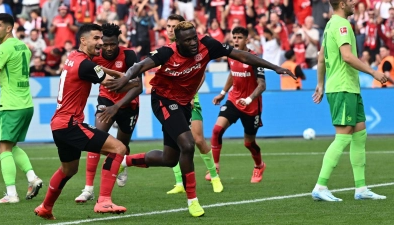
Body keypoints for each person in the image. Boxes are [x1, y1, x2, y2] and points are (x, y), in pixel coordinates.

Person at [105, 21, 295, 217]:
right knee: (188, 144)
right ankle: (193, 201)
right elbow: (139, 66)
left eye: (194, 37)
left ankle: (125, 161)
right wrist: (125, 79)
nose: (193, 43)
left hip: (185, 103)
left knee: (169, 158)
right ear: (177, 42)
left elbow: (242, 55)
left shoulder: (207, 45)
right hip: (163, 99)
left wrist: (274, 67)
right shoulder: (167, 52)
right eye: (187, 40)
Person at [34, 24, 138, 220]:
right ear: (83, 40)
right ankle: (104, 201)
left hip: (59, 124)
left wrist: (119, 74)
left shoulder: (74, 58)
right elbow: (110, 83)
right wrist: (132, 80)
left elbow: (99, 69)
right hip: (71, 124)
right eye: (96, 39)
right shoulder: (86, 65)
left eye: (101, 39)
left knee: (69, 169)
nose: (100, 43)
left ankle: (45, 207)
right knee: (119, 148)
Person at [311, 0, 388, 202]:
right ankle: (320, 185)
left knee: (359, 134)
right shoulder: (342, 25)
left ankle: (361, 188)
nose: (355, 2)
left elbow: (321, 58)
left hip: (349, 88)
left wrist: (320, 83)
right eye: (351, 0)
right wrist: (373, 72)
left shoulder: (330, 25)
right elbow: (346, 56)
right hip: (343, 87)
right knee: (343, 137)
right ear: (343, 3)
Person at [74, 23, 141, 203]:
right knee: (97, 138)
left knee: (122, 147)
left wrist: (117, 106)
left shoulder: (129, 55)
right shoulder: (94, 57)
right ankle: (88, 189)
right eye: (106, 44)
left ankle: (122, 163)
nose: (110, 48)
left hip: (128, 104)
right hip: (106, 100)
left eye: (113, 44)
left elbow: (138, 87)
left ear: (118, 41)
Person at [162, 14, 223, 194]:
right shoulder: (164, 52)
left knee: (197, 139)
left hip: (190, 100)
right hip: (171, 102)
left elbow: (201, 73)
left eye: (174, 26)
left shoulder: (193, 50)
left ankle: (214, 176)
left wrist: (190, 93)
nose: (171, 29)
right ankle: (179, 183)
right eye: (168, 26)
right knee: (173, 141)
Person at [0, 13, 43, 204]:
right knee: (12, 145)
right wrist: (0, 82)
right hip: (26, 104)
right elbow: (12, 72)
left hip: (11, 105)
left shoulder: (2, 49)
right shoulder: (23, 46)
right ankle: (32, 178)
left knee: (4, 148)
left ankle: (11, 194)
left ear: (8, 28)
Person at [209, 26, 267, 184]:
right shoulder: (231, 55)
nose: (236, 40)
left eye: (239, 38)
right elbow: (233, 74)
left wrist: (248, 99)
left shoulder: (255, 59)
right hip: (234, 100)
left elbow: (262, 85)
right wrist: (222, 92)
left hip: (251, 106)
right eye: (234, 37)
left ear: (247, 40)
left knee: (248, 143)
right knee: (216, 130)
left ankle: (259, 166)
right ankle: (214, 167)